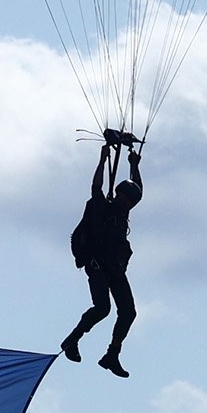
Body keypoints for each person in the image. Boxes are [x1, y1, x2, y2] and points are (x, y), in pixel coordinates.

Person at [62, 131, 143, 377]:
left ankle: (112, 355)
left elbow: (139, 193)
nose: (129, 204)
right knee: (102, 308)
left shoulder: (122, 213)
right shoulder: (101, 207)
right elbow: (96, 186)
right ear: (119, 195)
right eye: (126, 199)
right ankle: (72, 340)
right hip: (98, 266)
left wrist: (134, 166)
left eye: (131, 202)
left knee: (128, 311)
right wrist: (102, 159)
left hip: (115, 269)